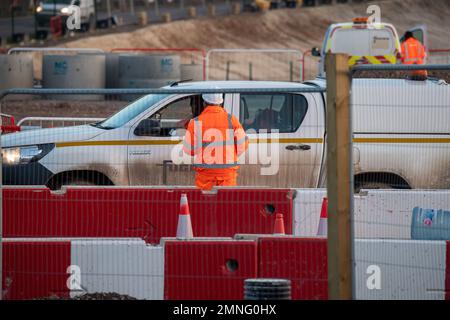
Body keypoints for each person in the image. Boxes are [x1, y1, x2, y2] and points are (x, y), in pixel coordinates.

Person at [182, 93, 249, 190]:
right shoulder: (231, 120)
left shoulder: (195, 122)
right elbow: (243, 145)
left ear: (204, 103)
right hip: (227, 175)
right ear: (220, 103)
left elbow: (189, 150)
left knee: (206, 203)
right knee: (226, 203)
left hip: (206, 176)